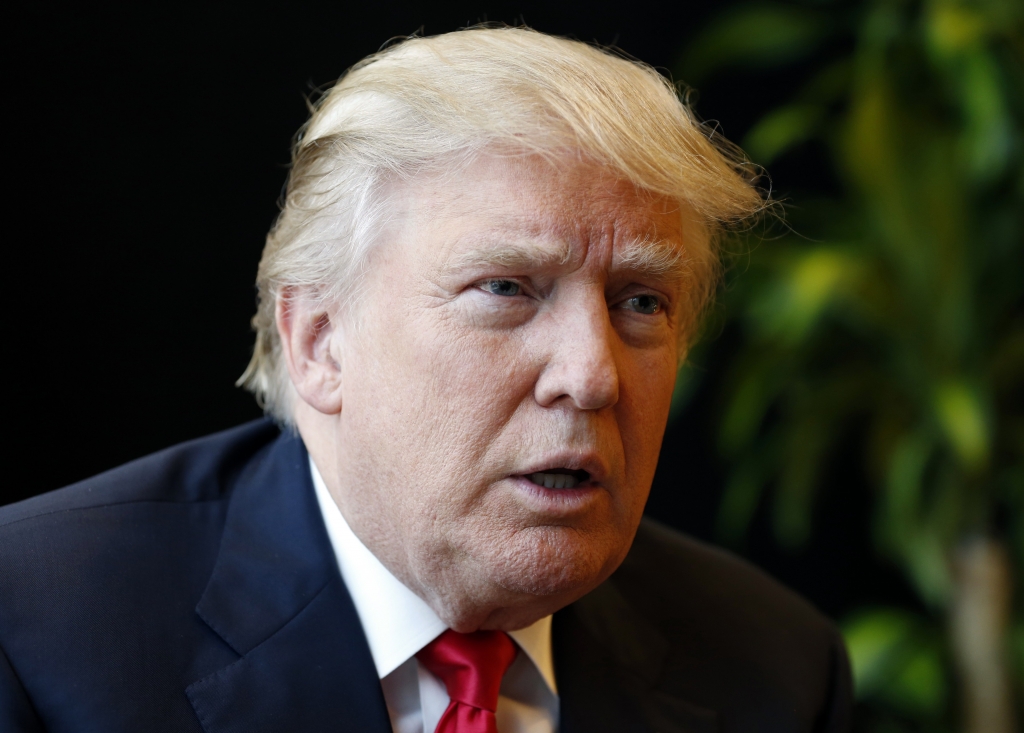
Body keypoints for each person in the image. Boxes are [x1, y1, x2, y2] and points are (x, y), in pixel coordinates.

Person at [0, 27, 851, 733]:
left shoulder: (775, 669)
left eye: (640, 302)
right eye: (507, 289)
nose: (592, 376)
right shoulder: (38, 627)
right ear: (321, 341)